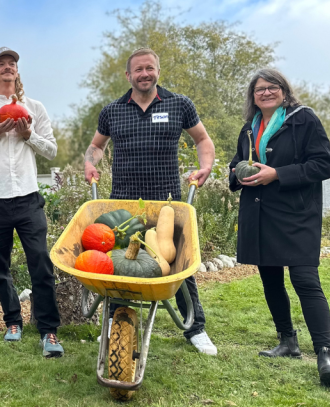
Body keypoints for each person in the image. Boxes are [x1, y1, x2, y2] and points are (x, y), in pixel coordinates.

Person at [83, 48, 218, 356]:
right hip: (124, 205)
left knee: (178, 267)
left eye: (150, 68)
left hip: (166, 203)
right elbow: (96, 145)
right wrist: (91, 162)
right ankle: (116, 322)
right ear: (128, 75)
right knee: (120, 264)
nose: (144, 74)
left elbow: (203, 140)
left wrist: (205, 166)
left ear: (158, 71)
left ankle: (195, 328)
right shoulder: (112, 110)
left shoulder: (179, 104)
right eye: (138, 70)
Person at [229, 68, 330, 387]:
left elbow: (324, 164)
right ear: (252, 96)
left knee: (305, 279)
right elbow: (236, 162)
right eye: (259, 89)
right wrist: (237, 175)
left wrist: (277, 173)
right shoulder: (250, 128)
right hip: (260, 213)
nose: (265, 93)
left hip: (296, 214)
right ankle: (288, 341)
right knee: (270, 279)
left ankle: (325, 355)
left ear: (284, 90)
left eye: (272, 87)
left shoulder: (303, 119)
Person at [0, 47, 64, 358]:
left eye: (12, 64)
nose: (7, 68)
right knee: (0, 266)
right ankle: (13, 322)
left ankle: (48, 330)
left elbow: (51, 150)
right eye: (1, 64)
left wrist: (28, 134)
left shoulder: (34, 107)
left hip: (28, 196)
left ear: (17, 72)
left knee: (41, 262)